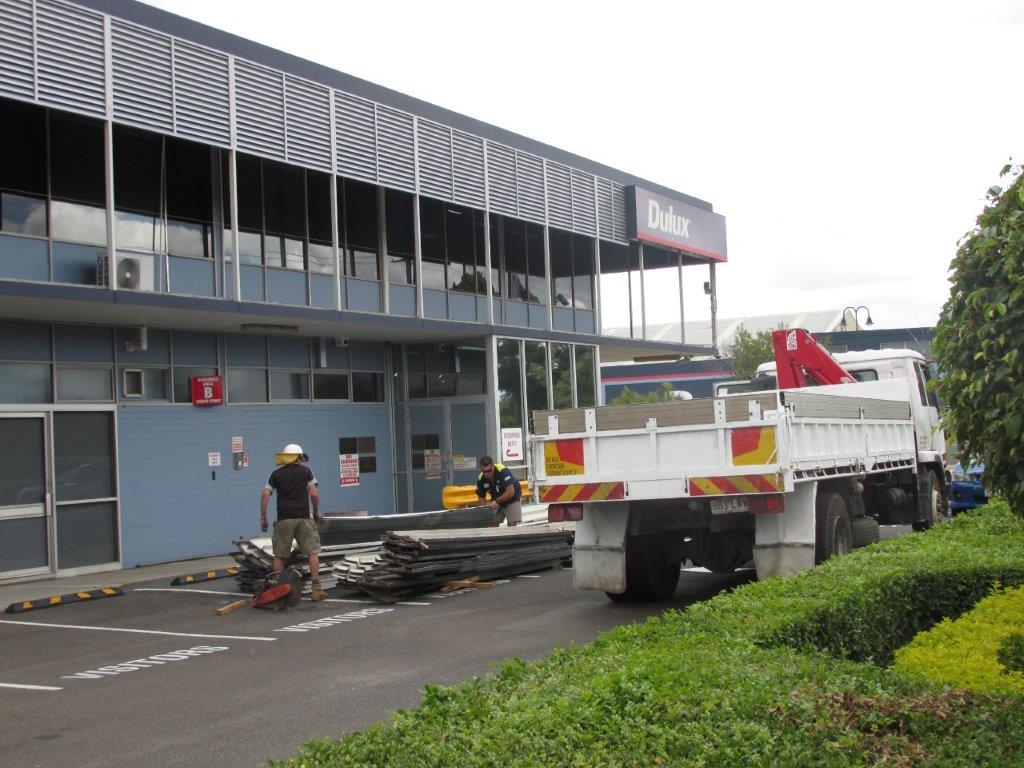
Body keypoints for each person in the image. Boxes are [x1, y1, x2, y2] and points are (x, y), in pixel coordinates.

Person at [259, 443, 326, 601]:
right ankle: (316, 589)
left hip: (284, 518)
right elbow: (314, 494)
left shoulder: (276, 474)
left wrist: (263, 517)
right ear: (299, 457)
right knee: (312, 552)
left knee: (279, 555)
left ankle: (277, 589)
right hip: (304, 517)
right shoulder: (307, 472)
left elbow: (265, 495)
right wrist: (316, 511)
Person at [475, 455, 522, 527]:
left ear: (493, 467)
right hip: (496, 498)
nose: (486, 473)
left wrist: (496, 501)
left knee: (512, 524)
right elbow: (481, 499)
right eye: (484, 471)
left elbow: (511, 491)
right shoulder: (481, 478)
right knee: (492, 524)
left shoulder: (502, 470)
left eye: (489, 471)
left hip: (512, 498)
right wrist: (487, 505)